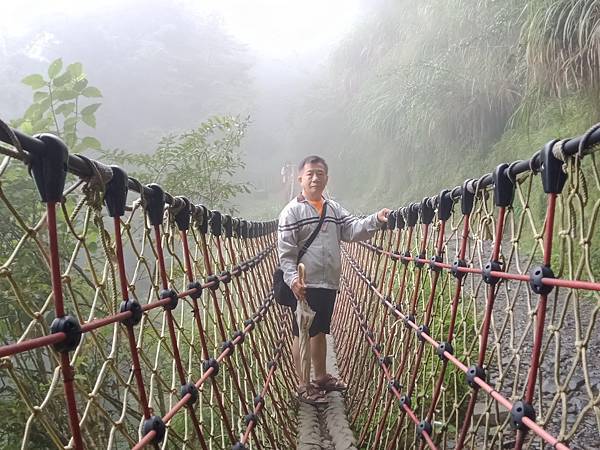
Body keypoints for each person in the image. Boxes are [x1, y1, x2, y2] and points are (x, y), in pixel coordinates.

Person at [277, 155, 390, 405]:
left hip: (328, 283)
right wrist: (293, 279)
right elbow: (286, 254)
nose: (316, 178)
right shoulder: (291, 212)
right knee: (302, 333)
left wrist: (376, 220)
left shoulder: (333, 209)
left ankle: (320, 378)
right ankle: (303, 386)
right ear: (300, 179)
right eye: (310, 174)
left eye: (320, 173)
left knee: (320, 332)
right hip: (304, 285)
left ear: (327, 178)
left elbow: (352, 229)